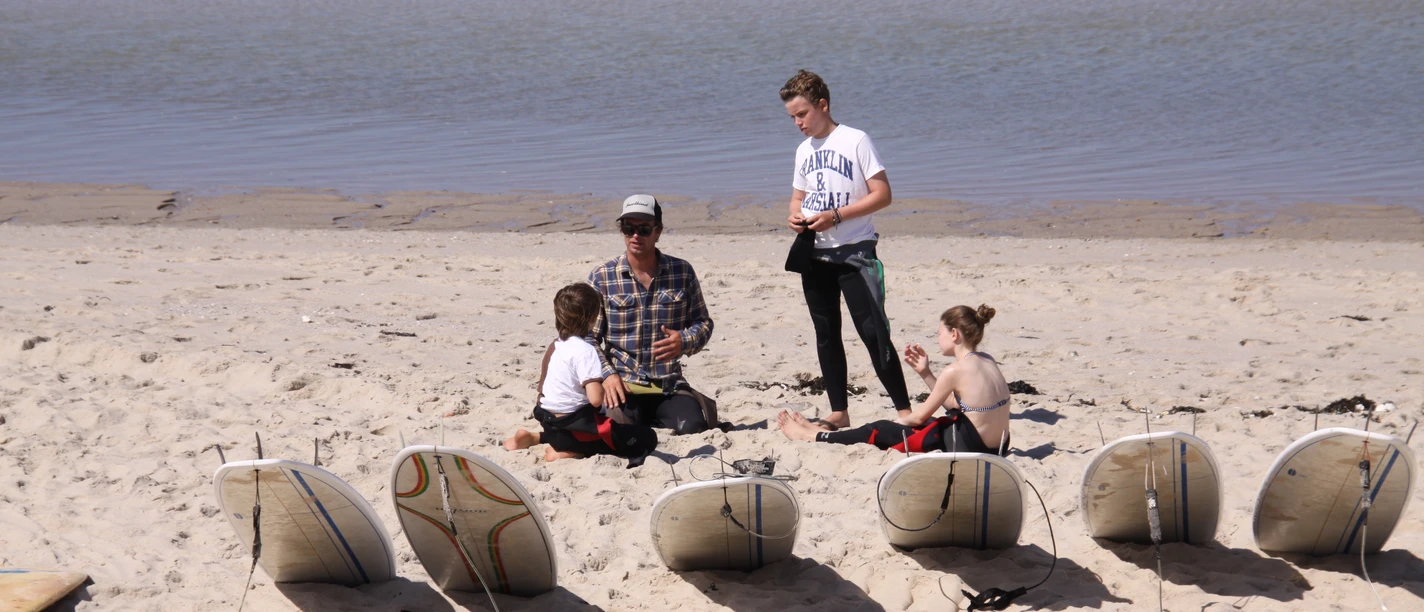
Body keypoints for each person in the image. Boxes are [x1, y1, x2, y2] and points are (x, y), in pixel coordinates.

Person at [780, 69, 910, 430]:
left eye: (802, 114)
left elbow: (882, 195)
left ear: (823, 105)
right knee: (826, 333)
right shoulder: (803, 150)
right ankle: (839, 410)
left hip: (855, 253)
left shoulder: (856, 140)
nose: (798, 123)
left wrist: (836, 216)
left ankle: (903, 410)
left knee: (873, 332)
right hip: (815, 254)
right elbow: (797, 198)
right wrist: (795, 216)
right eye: (792, 117)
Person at [778, 304, 1011, 455]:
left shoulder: (955, 370)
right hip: (996, 446)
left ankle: (812, 435)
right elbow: (958, 406)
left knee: (878, 429)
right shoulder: (987, 360)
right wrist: (925, 373)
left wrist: (893, 424)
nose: (937, 338)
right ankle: (819, 432)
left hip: (968, 447)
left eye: (939, 333)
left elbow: (919, 417)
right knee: (935, 422)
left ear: (954, 334)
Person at [587, 194, 716, 435]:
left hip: (668, 385)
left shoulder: (682, 272)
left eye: (644, 229)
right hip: (622, 383)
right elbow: (587, 338)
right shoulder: (602, 276)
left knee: (694, 427)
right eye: (628, 228)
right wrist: (607, 375)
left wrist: (684, 341)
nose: (636, 235)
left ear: (658, 232)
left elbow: (704, 323)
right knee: (617, 431)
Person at [504, 283, 658, 466]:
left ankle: (532, 437)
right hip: (573, 427)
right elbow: (595, 400)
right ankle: (563, 453)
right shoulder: (586, 351)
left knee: (569, 430)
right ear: (592, 319)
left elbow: (543, 385)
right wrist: (602, 386)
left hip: (548, 420)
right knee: (645, 437)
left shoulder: (556, 345)